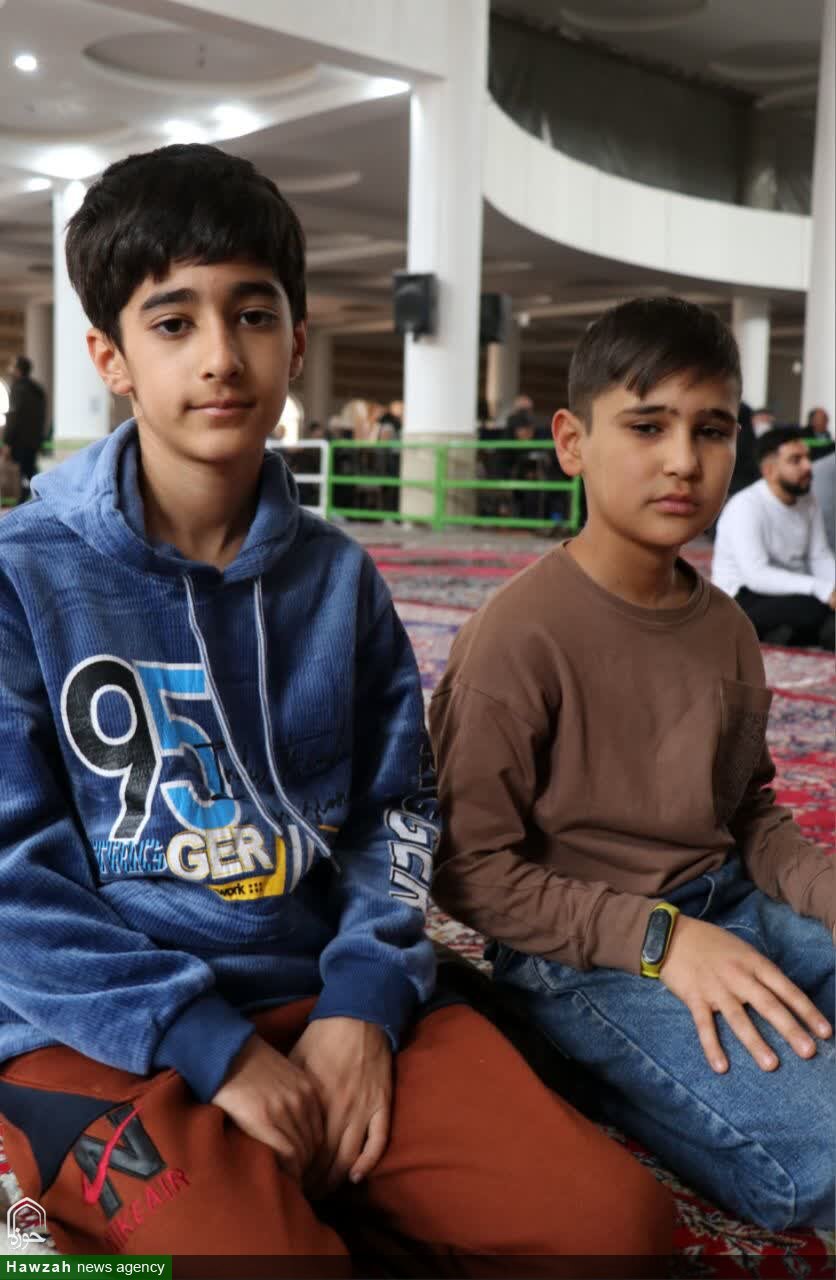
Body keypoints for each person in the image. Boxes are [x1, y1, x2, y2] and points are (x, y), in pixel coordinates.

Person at [0, 145, 673, 1267]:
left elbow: (395, 812)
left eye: (252, 315)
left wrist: (361, 1001)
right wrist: (210, 1046)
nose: (221, 356)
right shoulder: (21, 575)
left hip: (318, 991)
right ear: (110, 357)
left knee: (616, 1235)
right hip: (102, 1027)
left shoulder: (339, 579)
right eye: (173, 322)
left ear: (297, 342)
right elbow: (10, 884)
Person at [429, 296, 835, 1233]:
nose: (683, 460)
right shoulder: (517, 639)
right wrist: (661, 940)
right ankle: (587, 1069)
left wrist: (824, 893)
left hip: (732, 908)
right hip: (589, 956)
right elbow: (467, 869)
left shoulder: (727, 627)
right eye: (648, 427)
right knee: (824, 1154)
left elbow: (748, 812)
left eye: (711, 430)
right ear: (572, 442)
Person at [712, 426, 835, 650]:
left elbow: (819, 555)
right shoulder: (745, 507)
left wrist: (833, 586)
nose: (808, 466)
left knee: (820, 606)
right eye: (796, 460)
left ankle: (793, 633)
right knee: (814, 608)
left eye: (807, 457)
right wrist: (821, 589)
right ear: (769, 470)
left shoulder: (808, 500)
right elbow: (756, 575)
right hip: (743, 596)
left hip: (791, 589)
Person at [1, 354, 47, 497]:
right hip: (34, 442)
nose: (10, 370)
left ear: (18, 370)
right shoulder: (38, 391)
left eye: (13, 367)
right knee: (30, 473)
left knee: (22, 476)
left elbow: (14, 417)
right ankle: (36, 497)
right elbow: (42, 417)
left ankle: (23, 501)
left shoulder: (18, 389)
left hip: (20, 443)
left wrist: (7, 442)